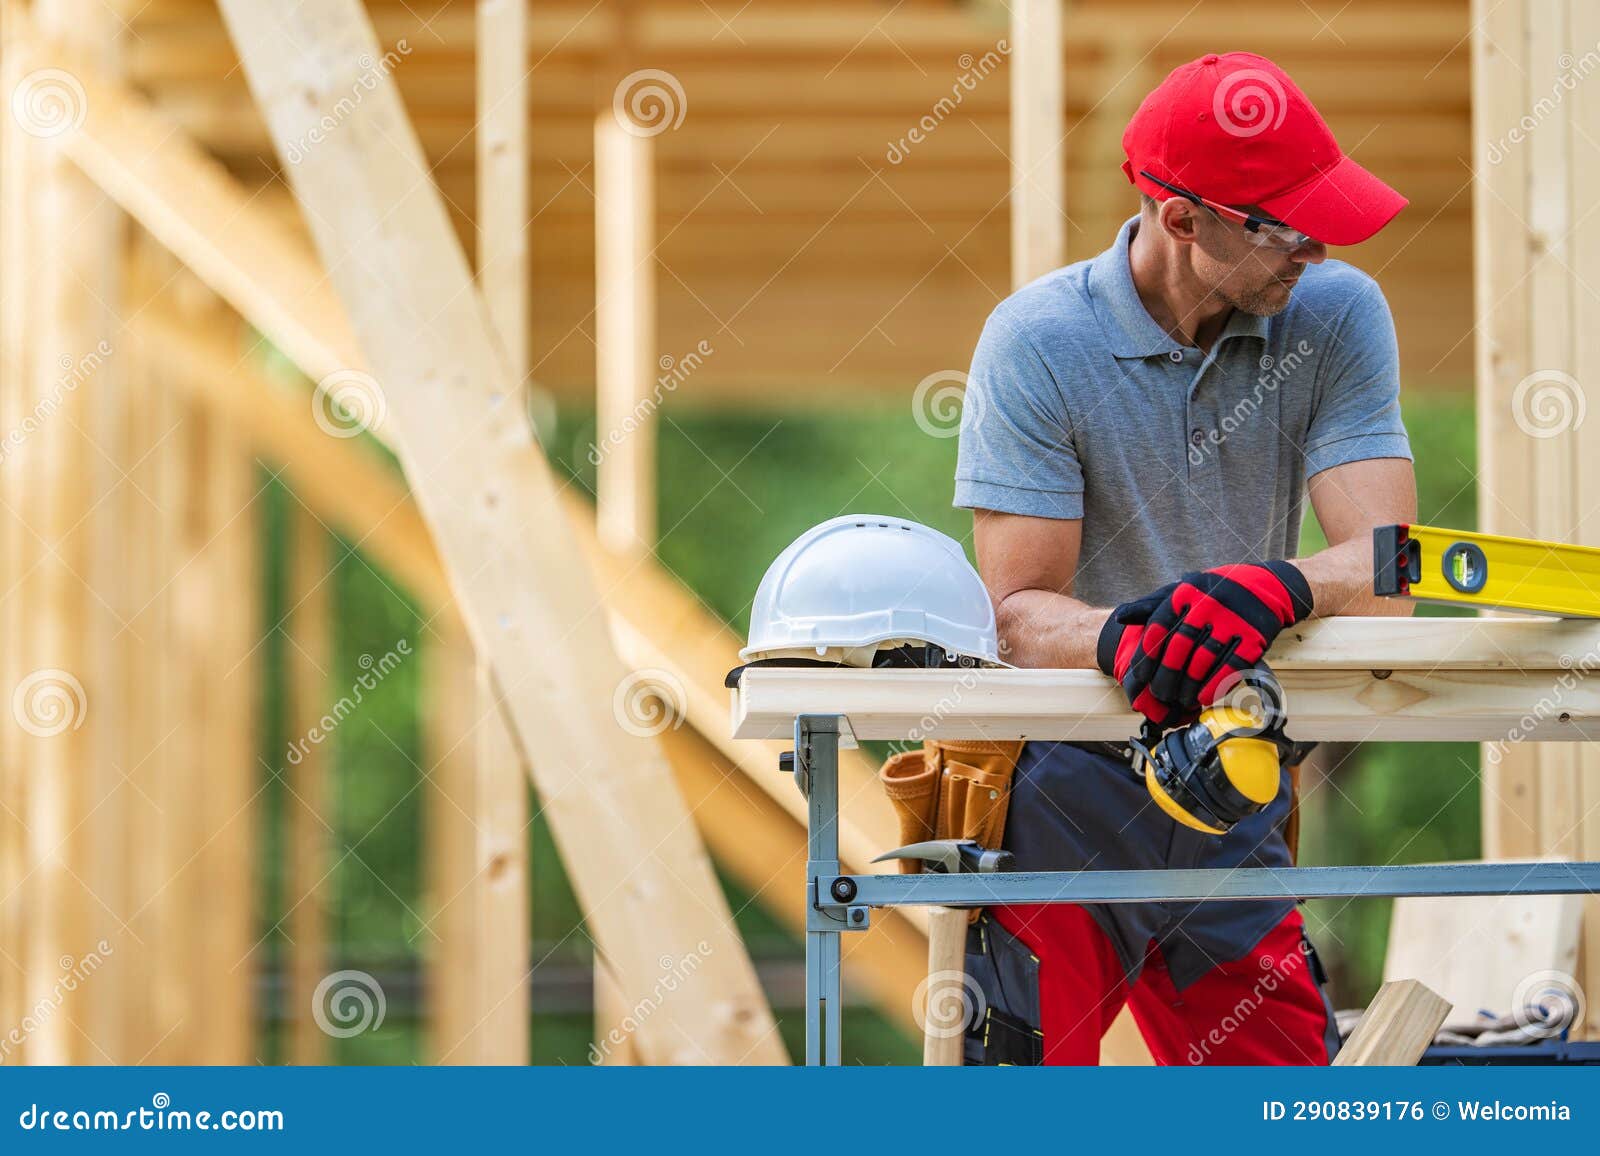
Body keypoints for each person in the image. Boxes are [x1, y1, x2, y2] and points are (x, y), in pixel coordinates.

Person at [955, 51, 1418, 1065]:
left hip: (1233, 779)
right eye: (1287, 228)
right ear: (1181, 219)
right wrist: (1133, 637)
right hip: (1062, 792)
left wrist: (1278, 586)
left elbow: (1392, 572)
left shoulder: (1335, 314)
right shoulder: (1035, 341)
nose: (1315, 249)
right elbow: (1018, 611)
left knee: (1287, 1113)